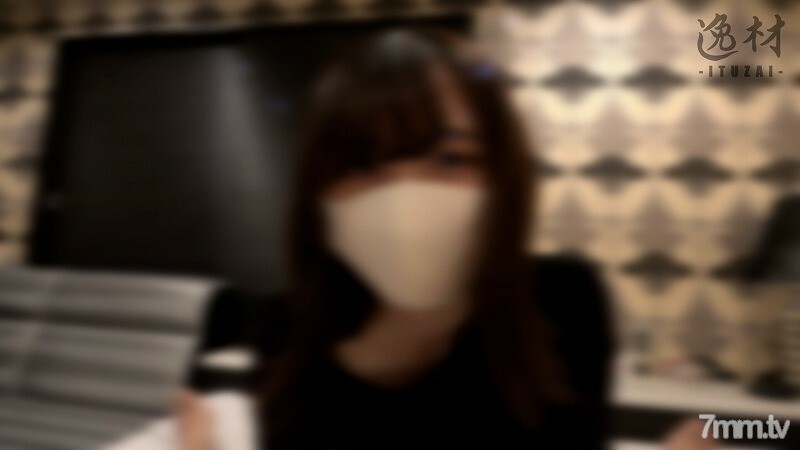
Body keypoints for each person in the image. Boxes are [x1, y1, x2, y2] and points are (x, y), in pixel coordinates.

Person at [105, 28, 715, 450]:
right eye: (358, 165)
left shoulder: (562, 302)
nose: (403, 195)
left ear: (504, 176)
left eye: (451, 158)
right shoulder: (285, 329)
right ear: (318, 193)